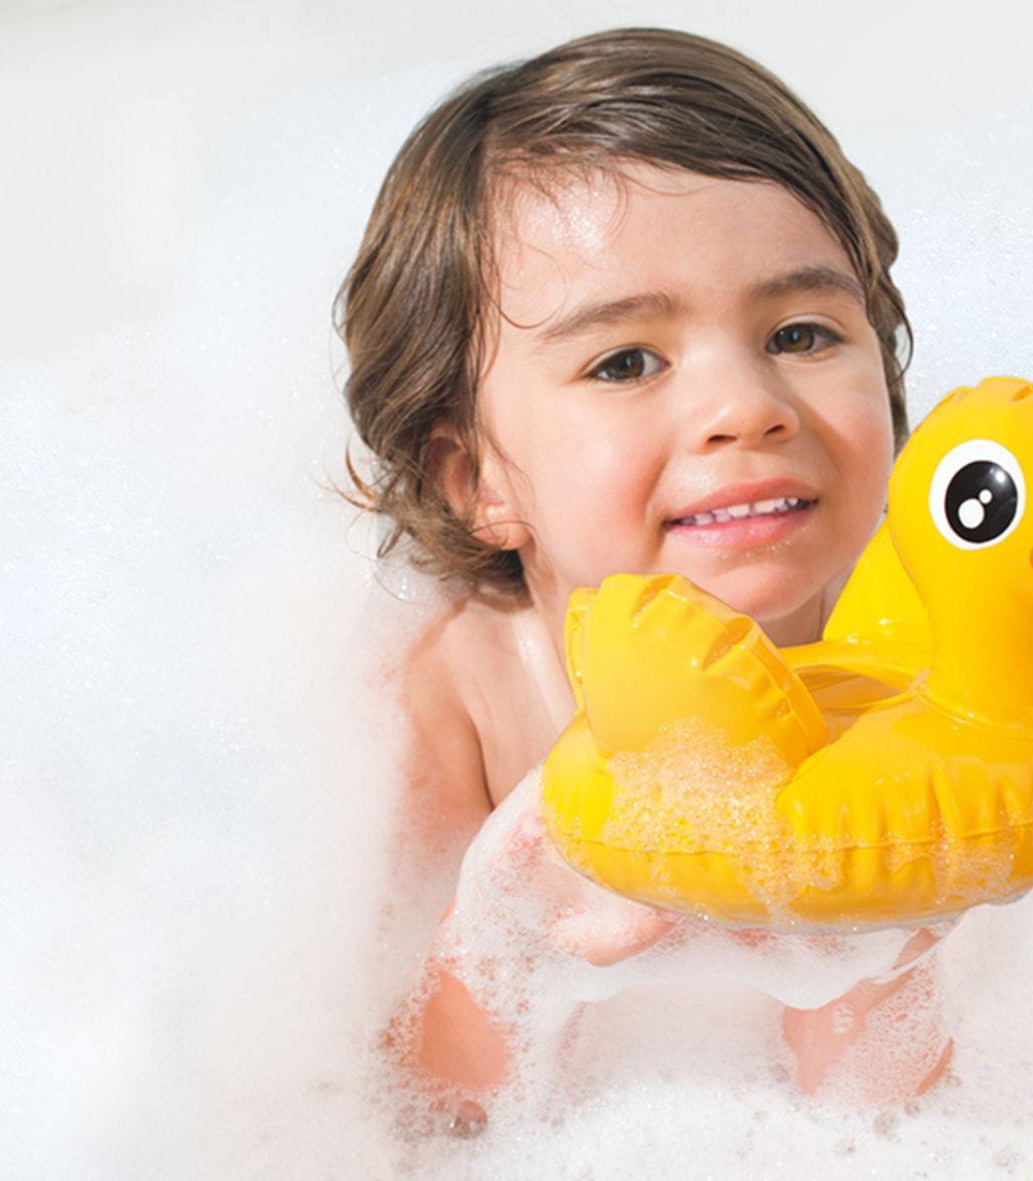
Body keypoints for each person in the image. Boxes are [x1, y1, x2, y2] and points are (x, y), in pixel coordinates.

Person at [339, 27, 950, 1126]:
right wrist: (505, 938)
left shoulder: (919, 650)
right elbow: (409, 1112)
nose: (746, 405)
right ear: (477, 477)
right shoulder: (458, 695)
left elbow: (898, 1124)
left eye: (800, 333)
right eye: (625, 361)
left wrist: (871, 944)